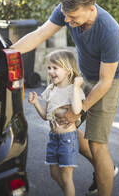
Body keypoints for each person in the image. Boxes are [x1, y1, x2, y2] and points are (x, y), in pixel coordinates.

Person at [11, 0, 119, 196]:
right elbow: (39, 35)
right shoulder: (66, 11)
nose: (66, 20)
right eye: (65, 15)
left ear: (91, 9)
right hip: (83, 77)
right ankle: (106, 169)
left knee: (97, 144)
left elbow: (105, 81)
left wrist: (79, 109)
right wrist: (8, 53)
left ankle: (104, 174)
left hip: (108, 82)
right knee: (65, 123)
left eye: (72, 17)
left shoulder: (110, 30)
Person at [28, 49, 85, 196]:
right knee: (54, 173)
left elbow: (78, 110)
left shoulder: (73, 89)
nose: (51, 71)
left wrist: (77, 88)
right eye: (49, 68)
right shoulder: (50, 89)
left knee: (66, 177)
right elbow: (46, 116)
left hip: (68, 139)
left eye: (55, 68)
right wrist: (36, 103)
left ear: (67, 70)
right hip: (53, 138)